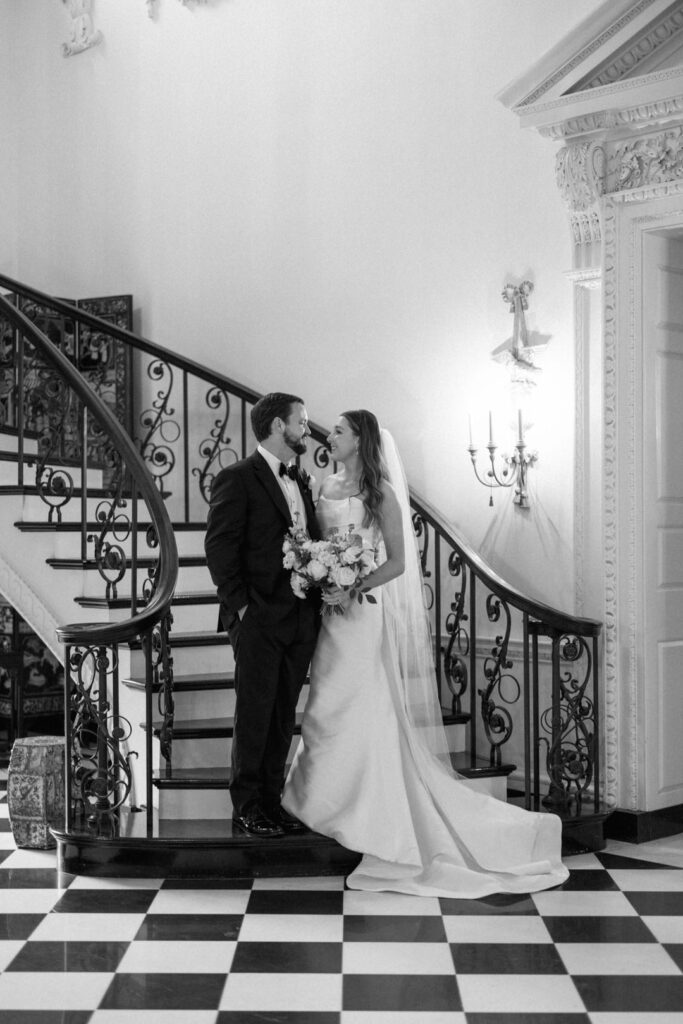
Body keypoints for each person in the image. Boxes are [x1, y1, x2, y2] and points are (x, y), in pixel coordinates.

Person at [282, 409, 569, 897]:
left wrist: (353, 585)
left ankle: (367, 804)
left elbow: (397, 561)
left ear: (361, 439)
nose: (328, 434)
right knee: (325, 703)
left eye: (339, 430)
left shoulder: (383, 495)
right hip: (328, 615)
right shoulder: (323, 485)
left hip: (361, 613)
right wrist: (318, 571)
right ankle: (320, 796)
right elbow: (314, 543)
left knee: (360, 701)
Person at [205, 392, 320, 838]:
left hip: (299, 616)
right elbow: (218, 548)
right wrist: (244, 606)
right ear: (277, 426)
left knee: (282, 715)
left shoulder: (301, 480)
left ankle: (272, 803)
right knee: (254, 714)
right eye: (302, 422)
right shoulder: (237, 478)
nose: (307, 430)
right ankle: (247, 806)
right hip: (257, 618)